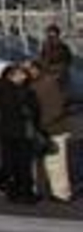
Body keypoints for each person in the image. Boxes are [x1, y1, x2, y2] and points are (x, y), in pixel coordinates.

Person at [0, 63, 40, 203]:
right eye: (21, 74)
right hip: (21, 131)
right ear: (12, 76)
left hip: (5, 130)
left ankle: (11, 191)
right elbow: (33, 111)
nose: (25, 76)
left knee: (9, 161)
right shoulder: (24, 92)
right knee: (23, 163)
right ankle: (25, 193)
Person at [31, 61, 72, 203]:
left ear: (37, 69)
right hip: (46, 127)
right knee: (53, 163)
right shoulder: (40, 83)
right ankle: (59, 192)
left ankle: (61, 193)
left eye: (30, 70)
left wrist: (42, 123)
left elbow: (57, 108)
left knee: (56, 163)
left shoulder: (48, 84)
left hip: (53, 128)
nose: (27, 73)